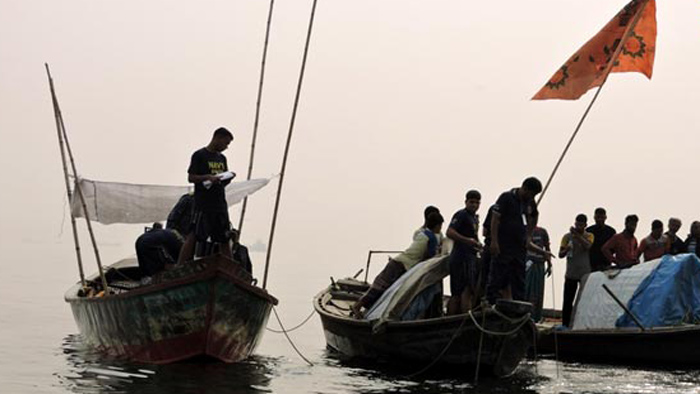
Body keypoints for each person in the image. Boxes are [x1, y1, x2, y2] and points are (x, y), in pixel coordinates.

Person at [351, 212, 444, 318]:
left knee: (384, 290)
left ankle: (365, 310)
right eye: (440, 226)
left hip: (399, 262)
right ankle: (357, 306)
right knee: (380, 288)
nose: (441, 229)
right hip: (401, 265)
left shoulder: (422, 233)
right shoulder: (431, 238)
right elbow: (430, 259)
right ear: (437, 225)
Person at [178, 127, 235, 264]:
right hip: (203, 203)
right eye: (225, 143)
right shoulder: (200, 155)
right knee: (194, 234)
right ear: (217, 138)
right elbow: (191, 178)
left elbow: (222, 180)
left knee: (224, 237)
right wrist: (207, 177)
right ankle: (180, 266)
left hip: (219, 203)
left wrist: (226, 178)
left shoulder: (222, 158)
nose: (226, 147)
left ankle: (228, 266)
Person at [486, 177, 542, 304]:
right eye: (532, 193)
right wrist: (494, 241)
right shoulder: (506, 197)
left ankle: (519, 306)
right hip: (504, 245)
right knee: (496, 277)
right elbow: (495, 218)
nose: (532, 197)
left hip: (519, 246)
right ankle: (490, 303)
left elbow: (534, 215)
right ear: (525, 188)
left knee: (519, 279)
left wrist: (528, 236)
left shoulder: (530, 202)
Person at [446, 190, 483, 315]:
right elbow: (449, 232)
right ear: (466, 202)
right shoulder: (461, 215)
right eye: (471, 202)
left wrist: (478, 245)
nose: (474, 205)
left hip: (470, 257)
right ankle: (460, 319)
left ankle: (461, 317)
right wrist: (467, 241)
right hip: (460, 257)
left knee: (468, 290)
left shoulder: (474, 219)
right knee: (460, 292)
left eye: (477, 203)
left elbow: (474, 237)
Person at [558, 214, 594, 327]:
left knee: (584, 301)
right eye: (577, 224)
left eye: (581, 225)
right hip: (571, 274)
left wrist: (577, 235)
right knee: (568, 301)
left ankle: (582, 323)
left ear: (585, 225)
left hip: (584, 274)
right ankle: (565, 324)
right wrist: (566, 249)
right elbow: (560, 254)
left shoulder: (589, 236)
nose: (578, 226)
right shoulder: (566, 237)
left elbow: (588, 246)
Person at [524, 225, 552, 322]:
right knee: (527, 290)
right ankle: (526, 316)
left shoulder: (542, 231)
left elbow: (547, 248)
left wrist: (549, 263)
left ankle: (536, 317)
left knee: (538, 292)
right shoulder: (524, 230)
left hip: (540, 264)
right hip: (528, 263)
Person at [586, 207, 616, 272]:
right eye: (598, 217)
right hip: (591, 264)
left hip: (606, 264)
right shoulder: (588, 231)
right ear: (594, 217)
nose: (599, 219)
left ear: (605, 217)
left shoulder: (611, 231)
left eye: (601, 217)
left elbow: (614, 248)